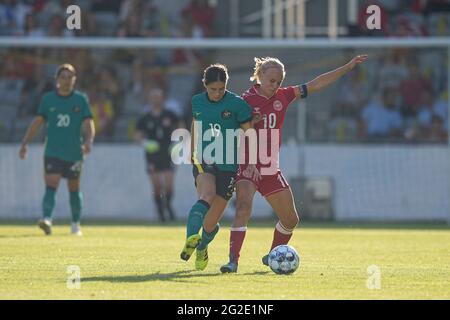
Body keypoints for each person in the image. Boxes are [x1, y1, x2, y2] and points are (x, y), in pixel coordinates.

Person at [220, 55, 368, 273]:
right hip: (247, 164)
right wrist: (248, 122)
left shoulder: (284, 96)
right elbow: (230, 127)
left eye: (279, 81)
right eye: (272, 80)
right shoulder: (244, 101)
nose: (275, 85)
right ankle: (233, 260)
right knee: (243, 206)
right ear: (259, 76)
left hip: (271, 167)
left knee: (290, 219)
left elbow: (315, 84)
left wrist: (347, 67)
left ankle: (272, 255)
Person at [179, 64, 259, 270]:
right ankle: (190, 240)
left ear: (226, 86)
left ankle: (202, 246)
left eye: (221, 89)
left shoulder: (237, 105)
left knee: (211, 221)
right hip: (204, 158)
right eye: (212, 89)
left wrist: (251, 161)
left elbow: (249, 133)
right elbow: (195, 123)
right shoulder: (196, 101)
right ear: (204, 85)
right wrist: (191, 148)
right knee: (206, 194)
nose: (216, 93)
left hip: (229, 164)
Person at [19, 63, 95, 236]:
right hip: (53, 150)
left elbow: (88, 122)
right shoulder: (48, 99)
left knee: (74, 187)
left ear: (74, 80)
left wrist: (89, 140)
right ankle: (47, 219)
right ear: (57, 80)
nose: (66, 81)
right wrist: (25, 142)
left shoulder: (80, 99)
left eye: (70, 77)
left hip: (74, 151)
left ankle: (75, 224)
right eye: (63, 77)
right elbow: (38, 122)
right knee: (51, 183)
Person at [135, 87, 182, 222]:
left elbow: (181, 127)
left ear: (163, 99)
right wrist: (145, 143)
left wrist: (177, 141)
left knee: (169, 183)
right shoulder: (145, 118)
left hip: (168, 151)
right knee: (156, 185)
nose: (156, 100)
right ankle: (160, 210)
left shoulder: (170, 114)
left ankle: (167, 205)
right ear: (149, 99)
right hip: (152, 154)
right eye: (153, 97)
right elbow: (137, 135)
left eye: (158, 97)